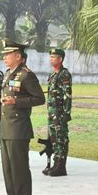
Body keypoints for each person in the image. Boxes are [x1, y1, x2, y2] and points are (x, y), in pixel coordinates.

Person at [0, 38, 45, 195]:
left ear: (18, 56)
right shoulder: (7, 74)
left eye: (8, 54)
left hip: (18, 129)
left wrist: (16, 101)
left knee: (19, 170)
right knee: (8, 170)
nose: (4, 57)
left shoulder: (26, 75)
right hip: (6, 128)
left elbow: (40, 98)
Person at [44, 48, 72, 176]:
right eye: (50, 57)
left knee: (61, 138)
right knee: (54, 138)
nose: (51, 59)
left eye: (53, 57)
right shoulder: (52, 75)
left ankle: (61, 166)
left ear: (60, 59)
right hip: (52, 112)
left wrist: (66, 112)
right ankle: (55, 163)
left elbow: (67, 94)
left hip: (60, 113)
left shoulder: (64, 74)